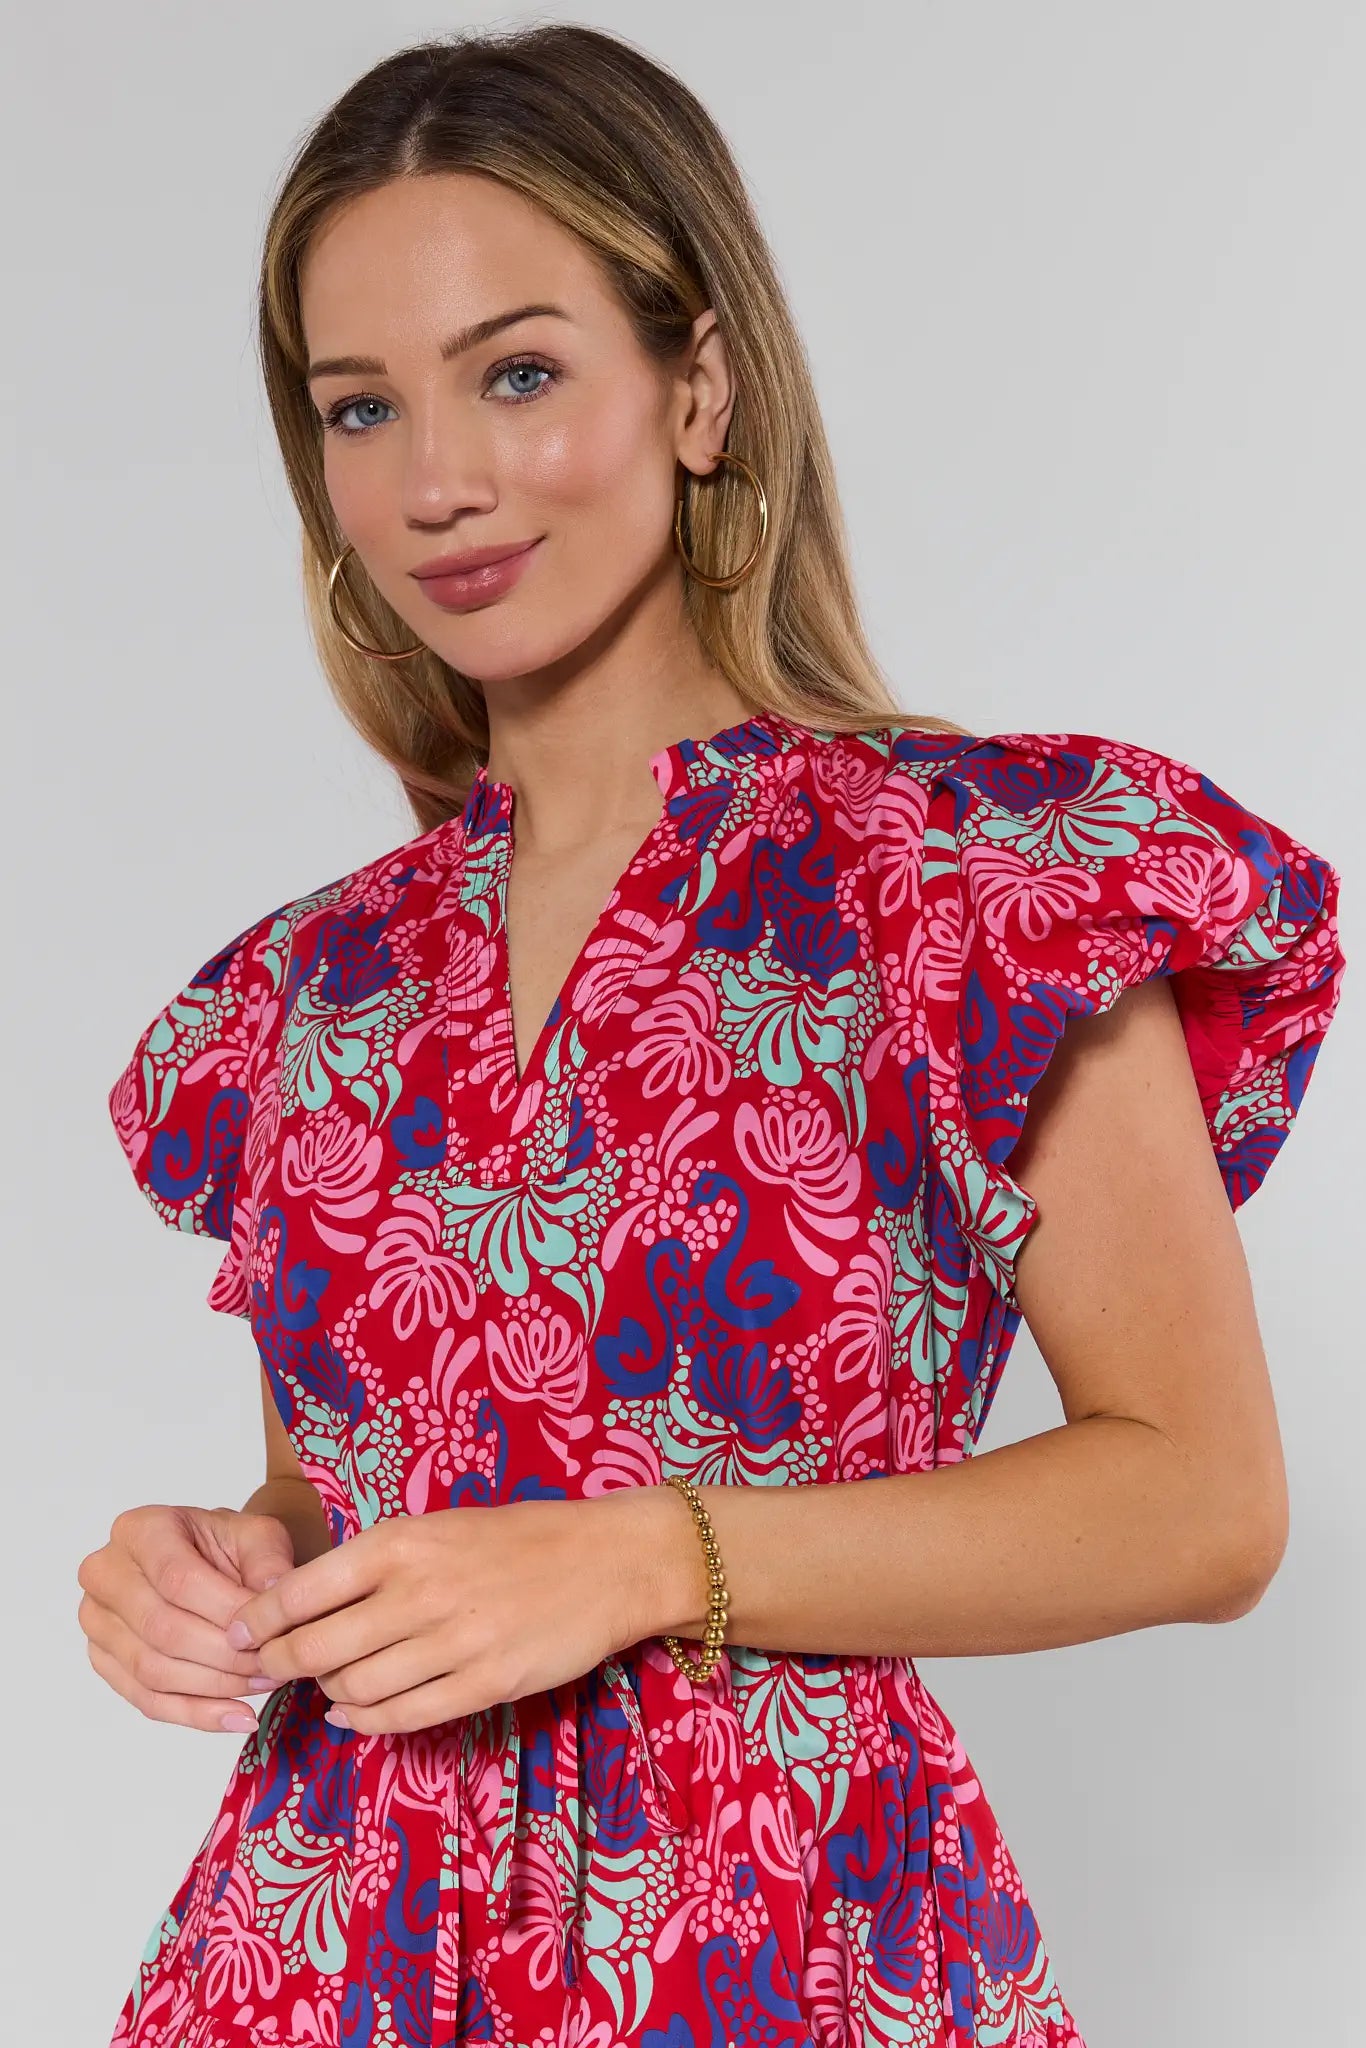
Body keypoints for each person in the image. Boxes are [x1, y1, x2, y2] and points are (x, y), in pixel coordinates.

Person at [80, 24, 1347, 2048]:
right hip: (323, 1955)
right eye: (356, 405)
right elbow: (359, 1489)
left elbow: (1201, 1500)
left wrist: (646, 1560)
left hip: (775, 1941)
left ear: (695, 383)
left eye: (515, 371)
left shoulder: (976, 884)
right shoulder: (306, 997)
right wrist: (233, 1563)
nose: (436, 481)